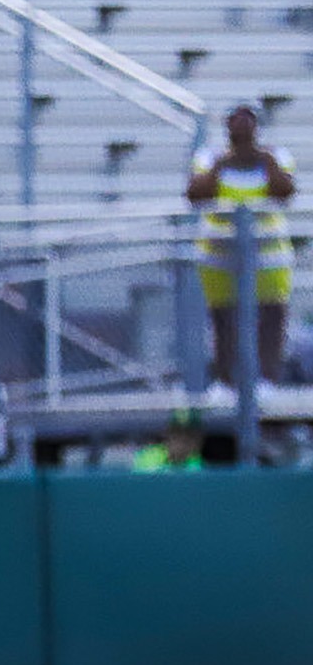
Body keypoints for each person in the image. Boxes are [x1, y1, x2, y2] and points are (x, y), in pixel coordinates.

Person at [186, 103, 297, 389]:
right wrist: (224, 163)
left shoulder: (275, 157)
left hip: (268, 257)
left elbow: (285, 191)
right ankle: (225, 382)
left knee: (270, 320)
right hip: (221, 257)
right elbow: (196, 194)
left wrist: (263, 160)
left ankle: (267, 381)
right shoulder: (210, 159)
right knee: (225, 323)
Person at [133, 408, 206, 472]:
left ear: (199, 439)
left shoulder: (201, 467)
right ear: (167, 434)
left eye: (190, 434)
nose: (183, 439)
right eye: (177, 432)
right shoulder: (146, 459)